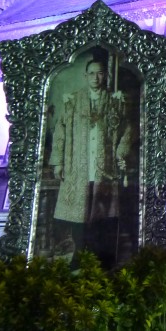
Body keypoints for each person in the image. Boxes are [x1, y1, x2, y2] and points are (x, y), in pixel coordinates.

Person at [49, 52, 138, 263]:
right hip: (76, 166)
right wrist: (58, 162)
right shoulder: (72, 101)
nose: (95, 78)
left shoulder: (115, 102)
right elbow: (60, 132)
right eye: (91, 74)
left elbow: (129, 130)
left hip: (103, 167)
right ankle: (79, 256)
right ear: (85, 76)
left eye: (100, 74)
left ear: (105, 76)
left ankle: (99, 259)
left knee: (100, 214)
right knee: (79, 213)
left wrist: (120, 153)